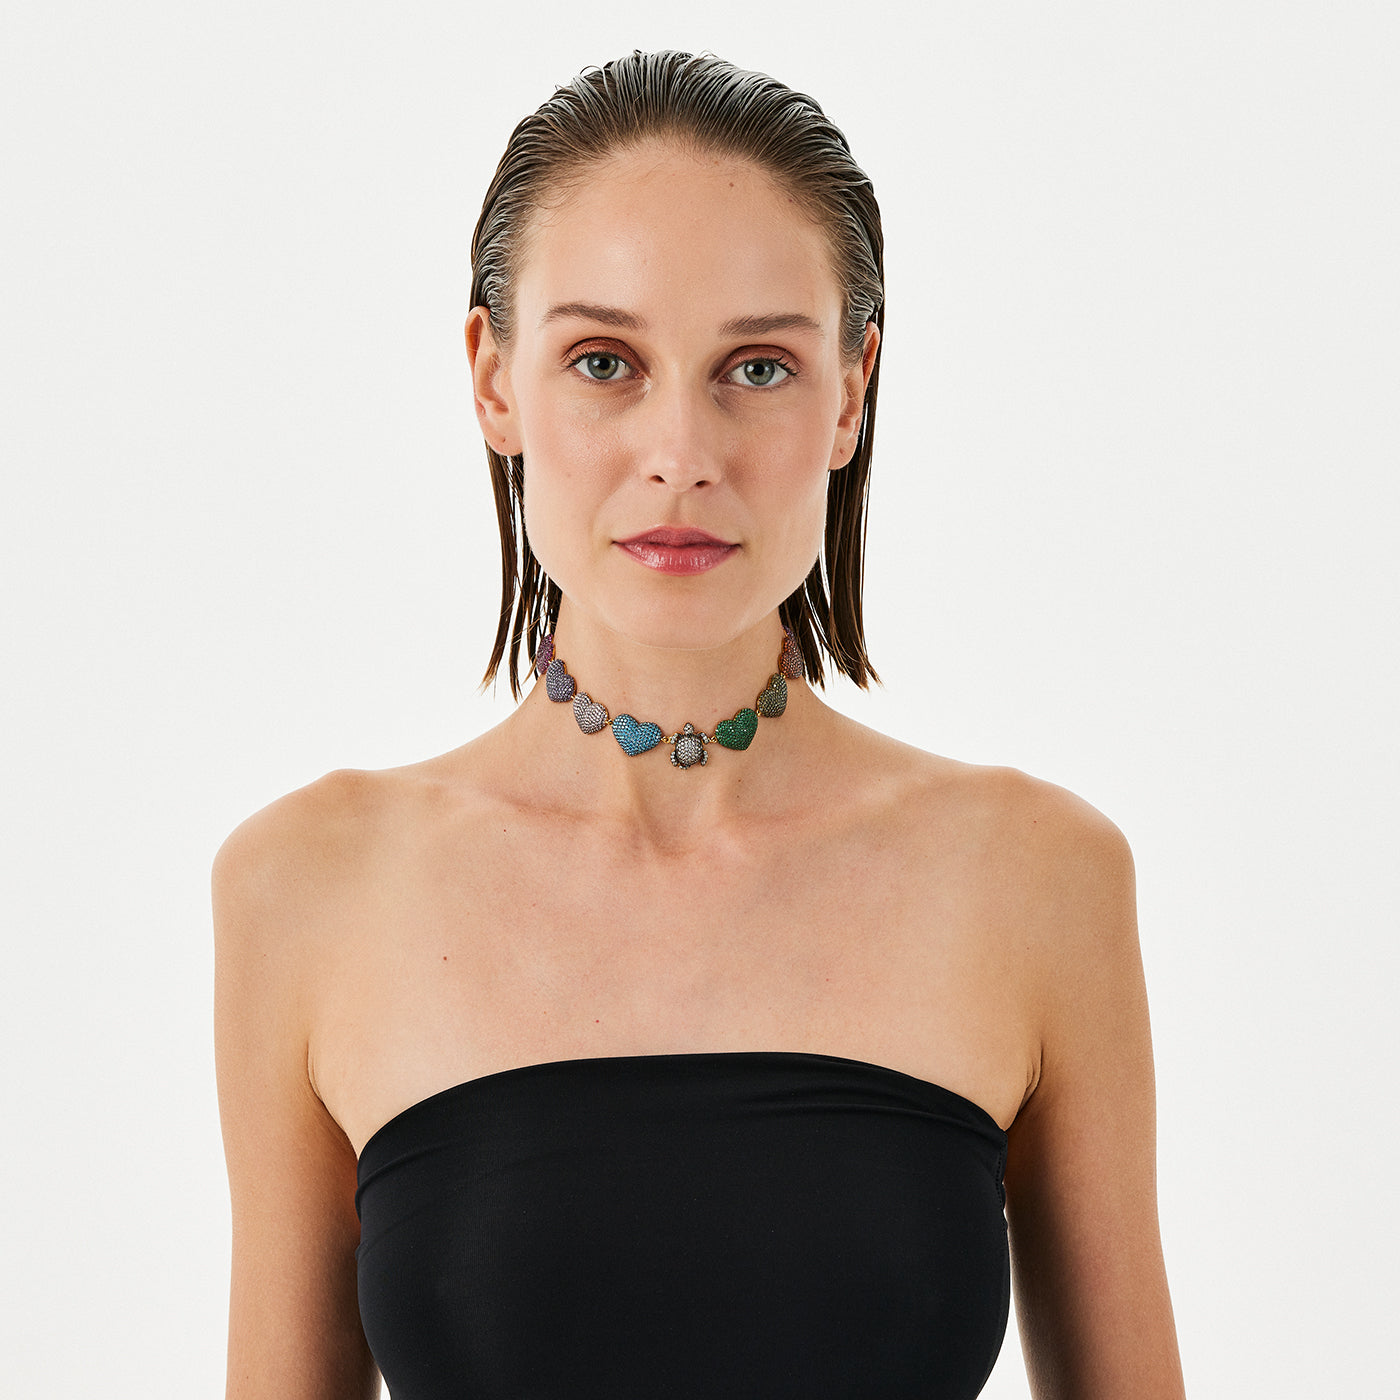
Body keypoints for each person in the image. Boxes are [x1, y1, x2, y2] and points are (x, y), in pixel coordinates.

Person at [214, 50, 1186, 1400]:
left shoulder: (1039, 876)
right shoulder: (308, 884)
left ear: (852, 390)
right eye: (604, 361)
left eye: (760, 367)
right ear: (494, 378)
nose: (681, 453)